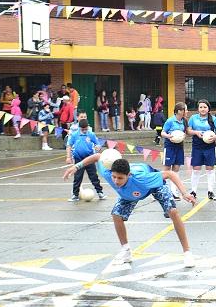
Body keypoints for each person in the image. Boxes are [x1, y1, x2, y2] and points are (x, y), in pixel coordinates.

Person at [63, 155, 196, 267]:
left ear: (129, 175)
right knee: (116, 214)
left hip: (152, 187)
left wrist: (184, 193)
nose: (116, 181)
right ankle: (126, 251)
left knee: (173, 212)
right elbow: (98, 156)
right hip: (129, 194)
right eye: (114, 177)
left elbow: (170, 174)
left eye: (120, 178)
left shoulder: (142, 178)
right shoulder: (108, 173)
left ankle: (187, 253)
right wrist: (76, 166)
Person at [186, 99, 216, 199]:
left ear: (208, 108)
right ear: (198, 109)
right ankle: (193, 191)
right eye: (201, 107)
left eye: (205, 107)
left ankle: (210, 191)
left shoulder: (213, 119)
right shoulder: (193, 118)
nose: (203, 109)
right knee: (196, 168)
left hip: (210, 146)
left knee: (209, 168)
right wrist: (196, 133)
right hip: (197, 145)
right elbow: (188, 131)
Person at [65, 118, 106, 202]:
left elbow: (97, 143)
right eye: (83, 129)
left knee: (94, 176)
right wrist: (68, 157)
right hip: (78, 159)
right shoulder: (74, 135)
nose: (84, 131)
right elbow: (69, 145)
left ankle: (100, 192)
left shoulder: (91, 134)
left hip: (89, 158)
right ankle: (75, 195)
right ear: (79, 128)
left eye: (86, 129)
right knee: (77, 177)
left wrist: (98, 147)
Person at [162, 102, 188, 200]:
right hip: (170, 146)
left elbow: (185, 132)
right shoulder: (170, 121)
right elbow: (163, 132)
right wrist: (169, 136)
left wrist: (183, 135)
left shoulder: (184, 121)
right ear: (179, 111)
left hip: (179, 146)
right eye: (185, 110)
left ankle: (174, 192)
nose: (187, 111)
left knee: (176, 169)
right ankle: (158, 190)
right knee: (166, 170)